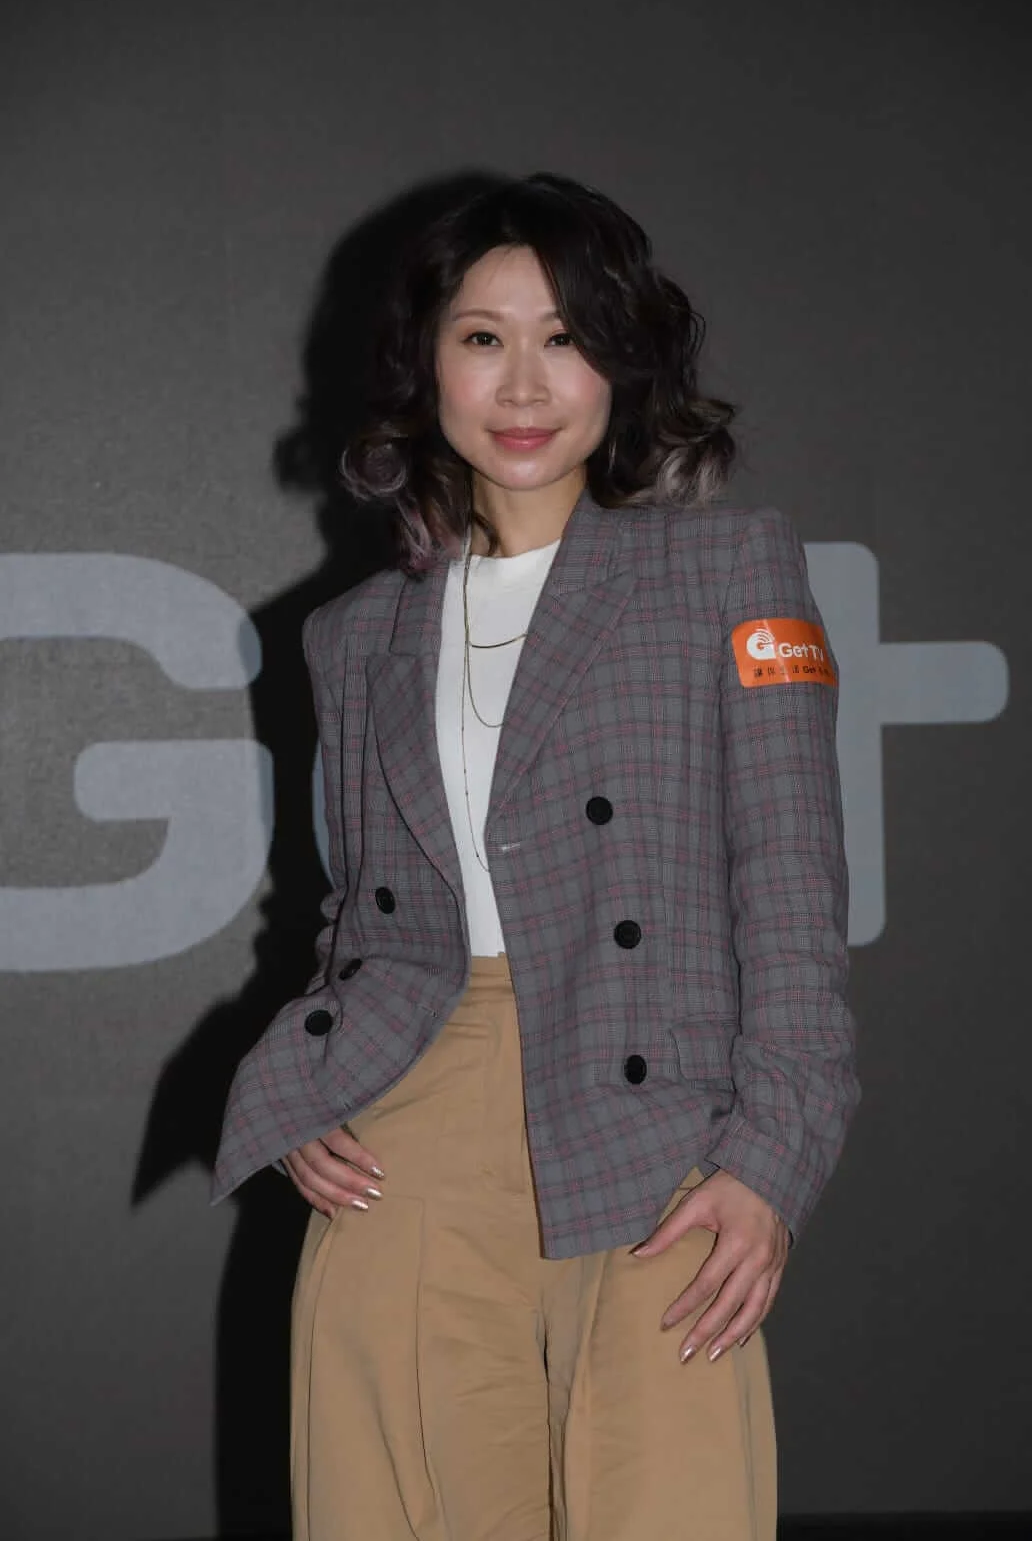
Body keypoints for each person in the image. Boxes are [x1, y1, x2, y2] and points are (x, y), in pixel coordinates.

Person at [212, 171, 860, 1541]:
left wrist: (771, 1160)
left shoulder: (729, 572)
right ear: (427, 366)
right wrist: (306, 1081)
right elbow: (358, 919)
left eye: (565, 337)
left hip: (657, 1122)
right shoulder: (354, 634)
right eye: (483, 337)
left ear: (622, 362)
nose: (524, 383)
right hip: (413, 1125)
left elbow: (793, 893)